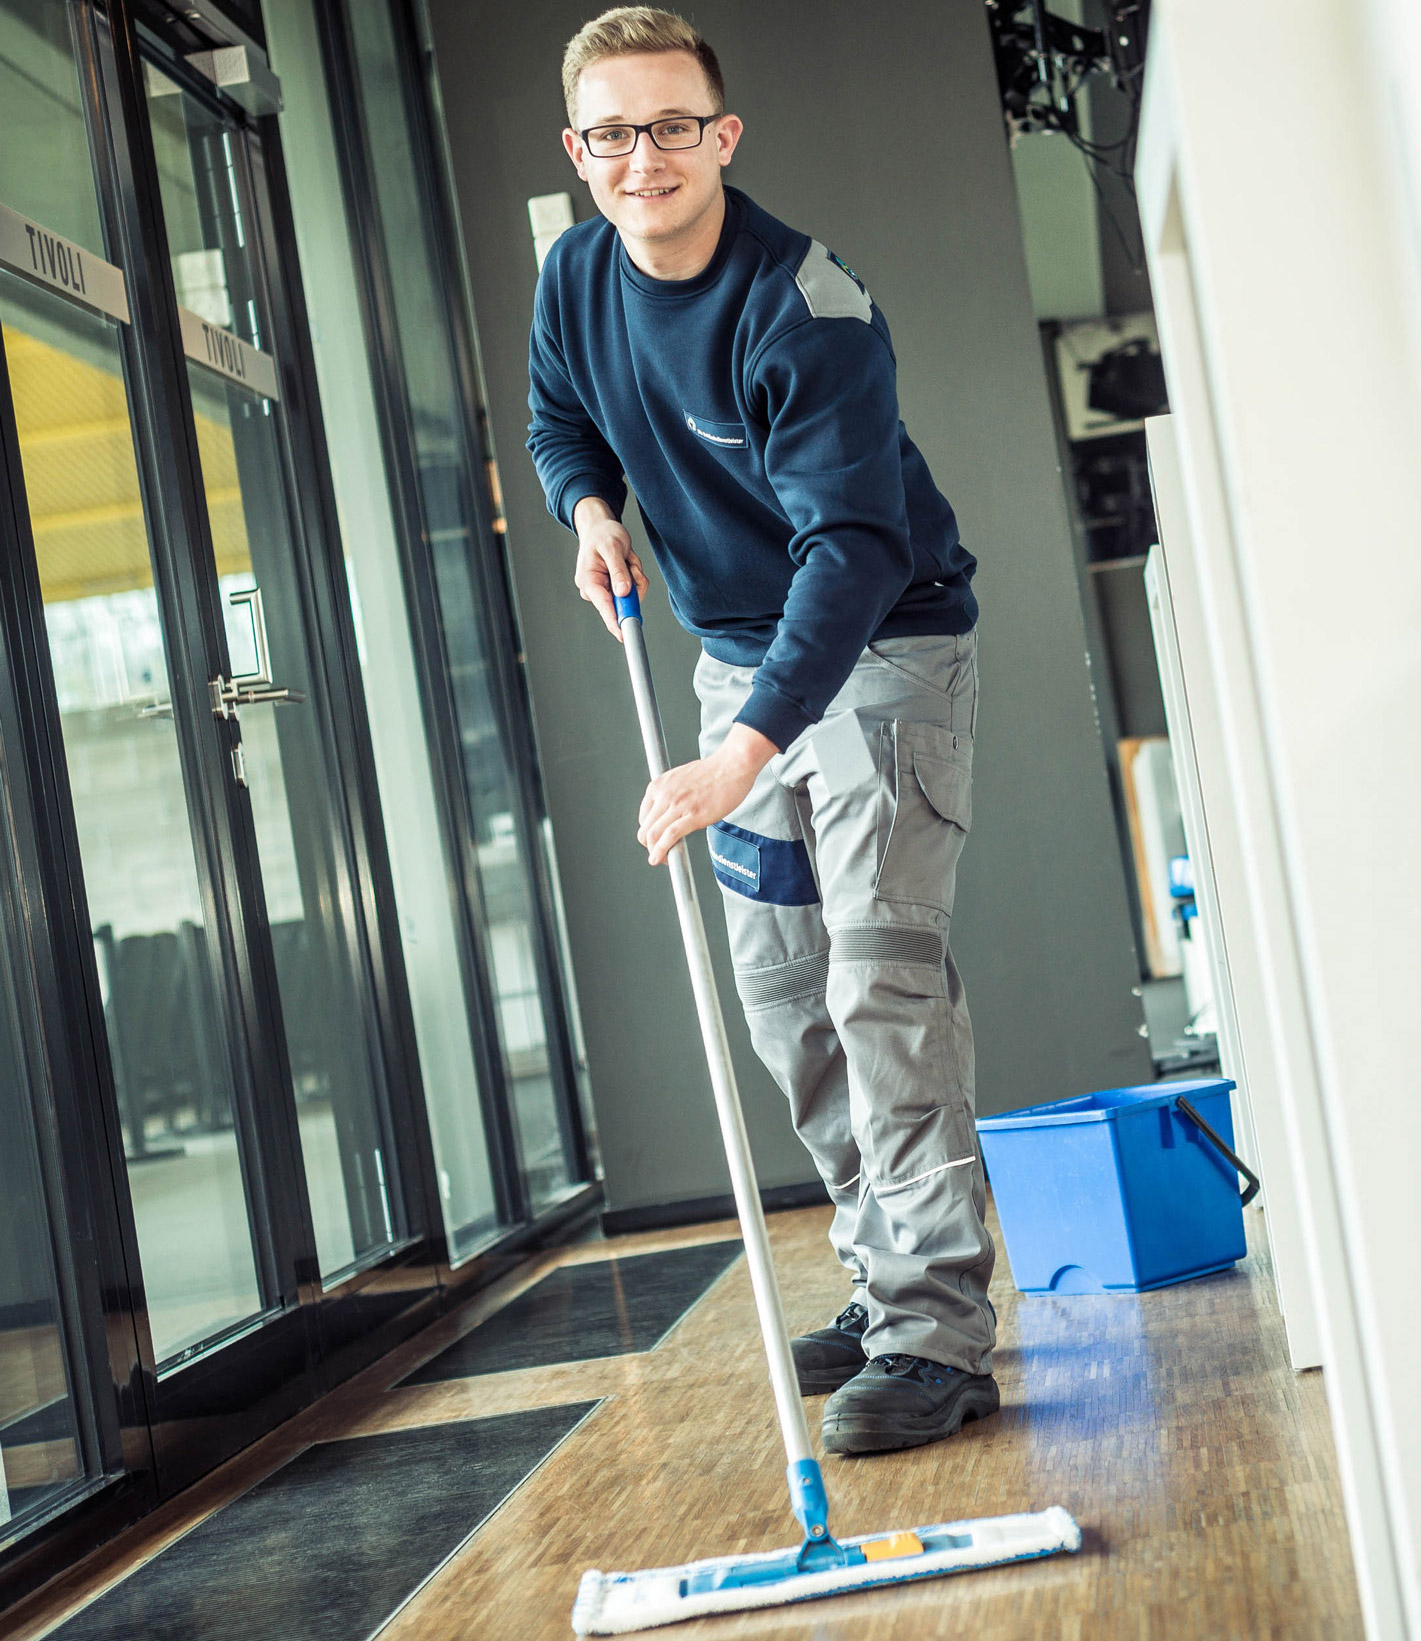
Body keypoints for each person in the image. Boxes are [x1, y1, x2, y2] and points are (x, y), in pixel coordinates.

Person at [527, 6, 997, 1456]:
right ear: (579, 151)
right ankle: (878, 1271)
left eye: (673, 127)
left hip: (883, 644)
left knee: (879, 985)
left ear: (722, 136)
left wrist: (747, 749)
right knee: (789, 992)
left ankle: (936, 1332)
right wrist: (588, 510)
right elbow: (560, 421)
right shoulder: (576, 274)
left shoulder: (806, 310)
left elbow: (853, 551)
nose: (644, 158)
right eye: (614, 133)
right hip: (737, 659)